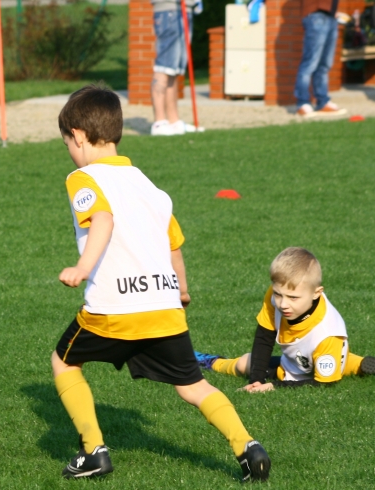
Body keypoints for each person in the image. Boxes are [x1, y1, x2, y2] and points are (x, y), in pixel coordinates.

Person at [51, 84, 269, 481]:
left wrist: (82, 268)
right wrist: (182, 291)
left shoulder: (82, 178)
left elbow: (102, 219)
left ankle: (93, 450)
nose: (68, 149)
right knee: (193, 385)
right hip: (164, 307)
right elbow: (174, 246)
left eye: (67, 141)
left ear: (78, 137)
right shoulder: (150, 187)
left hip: (114, 308)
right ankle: (247, 446)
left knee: (64, 361)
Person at [196, 247, 375, 390]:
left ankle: (355, 364)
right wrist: (256, 379)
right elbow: (264, 336)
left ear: (316, 293)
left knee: (326, 360)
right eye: (278, 294)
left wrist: (273, 385)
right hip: (295, 359)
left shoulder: (327, 333)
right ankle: (211, 361)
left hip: (306, 367)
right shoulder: (278, 294)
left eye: (293, 298)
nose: (283, 304)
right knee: (245, 363)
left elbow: (324, 384)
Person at [150, 0, 202, 136]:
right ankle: (159, 122)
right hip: (169, 10)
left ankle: (174, 121)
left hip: (185, 10)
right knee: (164, 65)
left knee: (174, 69)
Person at [295, 0, 347, 117]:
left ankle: (322, 101)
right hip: (316, 15)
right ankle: (302, 103)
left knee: (324, 64)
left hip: (330, 16)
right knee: (310, 63)